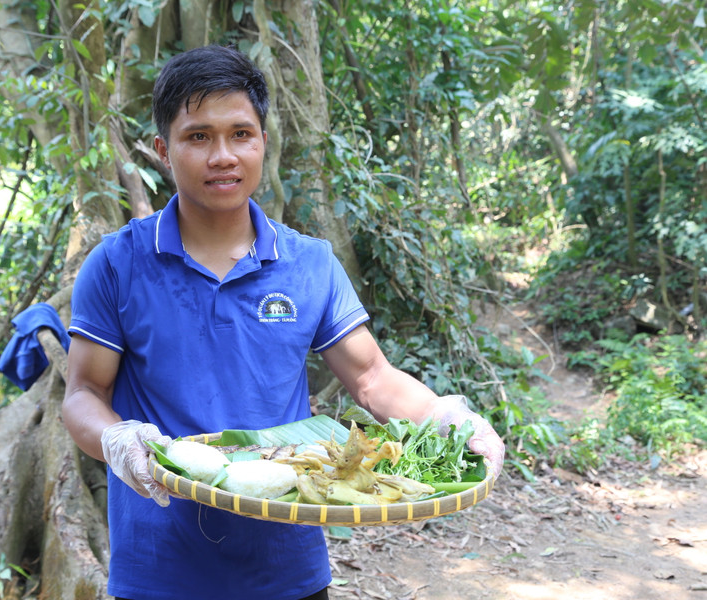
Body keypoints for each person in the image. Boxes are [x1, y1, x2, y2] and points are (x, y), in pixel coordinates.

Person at [62, 44, 505, 600]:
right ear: (162, 151)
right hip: (157, 568)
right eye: (198, 136)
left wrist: (448, 415)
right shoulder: (116, 263)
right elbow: (83, 392)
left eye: (241, 134)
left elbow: (372, 379)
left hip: (287, 567)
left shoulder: (310, 263)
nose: (223, 155)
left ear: (263, 143)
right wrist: (116, 438)